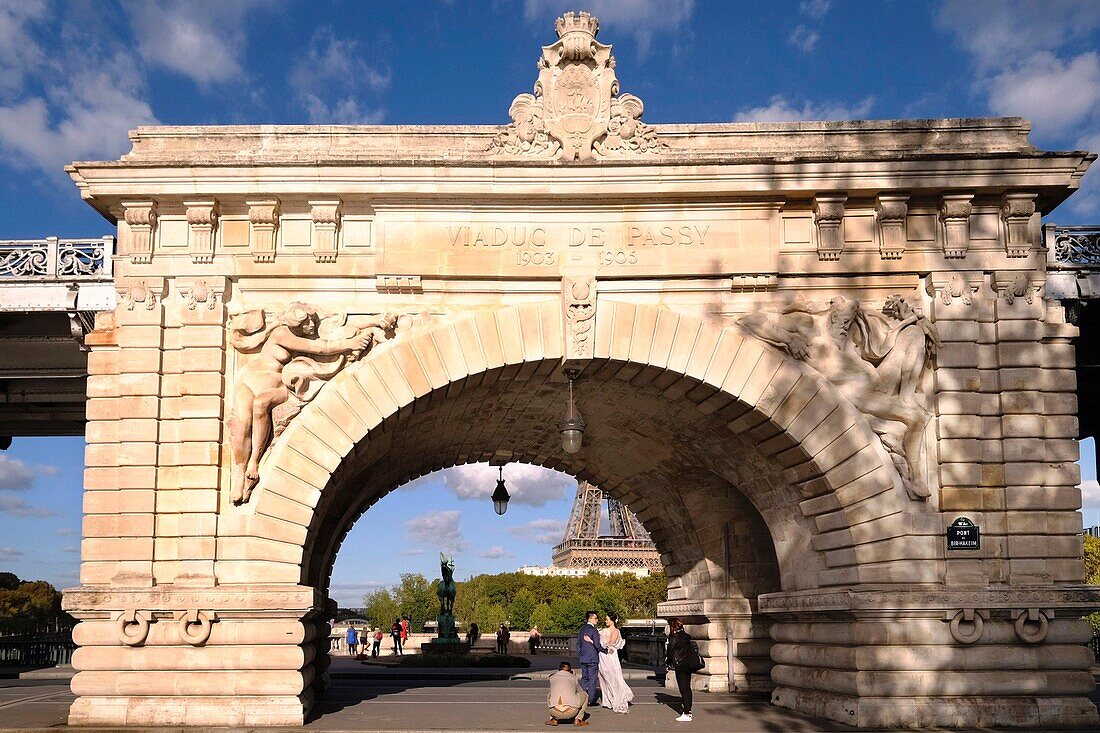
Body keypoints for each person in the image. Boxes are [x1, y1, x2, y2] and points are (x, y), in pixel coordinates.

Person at [665, 617, 700, 723]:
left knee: (682, 688)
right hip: (688, 664)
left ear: (672, 626)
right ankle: (688, 709)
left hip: (679, 665)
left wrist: (668, 662)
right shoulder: (686, 636)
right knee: (687, 688)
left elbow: (670, 651)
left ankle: (687, 713)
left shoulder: (673, 637)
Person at [597, 613, 633, 713]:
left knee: (612, 676)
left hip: (609, 655)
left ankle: (616, 699)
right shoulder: (607, 630)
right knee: (604, 676)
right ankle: (607, 700)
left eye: (607, 620)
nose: (605, 621)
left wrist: (601, 640)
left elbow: (611, 643)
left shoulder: (615, 631)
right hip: (605, 654)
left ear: (612, 620)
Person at [576, 610, 608, 709]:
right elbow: (597, 645)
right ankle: (591, 700)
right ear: (590, 618)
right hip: (592, 658)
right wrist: (605, 650)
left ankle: (582, 698)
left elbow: (578, 644)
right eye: (596, 618)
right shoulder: (593, 630)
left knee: (584, 678)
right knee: (593, 678)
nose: (597, 620)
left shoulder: (582, 630)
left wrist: (580, 655)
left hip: (583, 658)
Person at [546, 661, 590, 727]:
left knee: (550, 694)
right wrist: (574, 677)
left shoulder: (552, 677)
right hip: (571, 712)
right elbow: (580, 691)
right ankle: (578, 719)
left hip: (554, 712)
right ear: (570, 670)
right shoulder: (573, 677)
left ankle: (553, 719)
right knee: (585, 695)